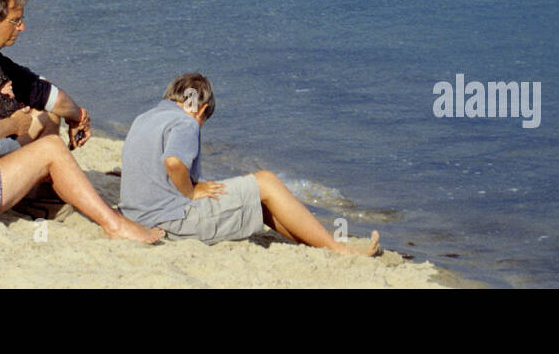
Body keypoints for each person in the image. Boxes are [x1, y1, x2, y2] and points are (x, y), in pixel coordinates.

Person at [0, 0, 161, 242]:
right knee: (51, 148)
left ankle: (50, 206)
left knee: (44, 157)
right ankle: (114, 225)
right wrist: (13, 124)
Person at [120, 73, 380, 255]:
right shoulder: (187, 122)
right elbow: (174, 162)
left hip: (139, 216)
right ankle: (341, 250)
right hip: (171, 222)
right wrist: (191, 191)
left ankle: (322, 245)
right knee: (266, 181)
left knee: (255, 195)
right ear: (202, 110)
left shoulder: (145, 118)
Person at [0, 0, 91, 152]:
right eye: (15, 21)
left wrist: (73, 114)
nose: (22, 27)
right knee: (49, 115)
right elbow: (47, 96)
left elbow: (36, 85)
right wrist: (79, 116)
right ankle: (43, 173)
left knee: (44, 110)